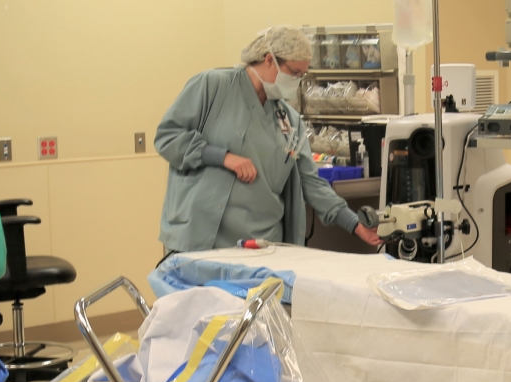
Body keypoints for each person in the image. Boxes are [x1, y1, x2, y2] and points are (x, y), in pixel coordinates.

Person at [154, 26, 383, 255]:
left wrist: (353, 223)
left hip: (262, 245)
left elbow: (310, 182)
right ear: (269, 60)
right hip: (201, 238)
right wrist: (223, 157)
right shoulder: (213, 86)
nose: (296, 81)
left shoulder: (290, 121)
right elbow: (168, 136)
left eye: (302, 75)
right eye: (293, 73)